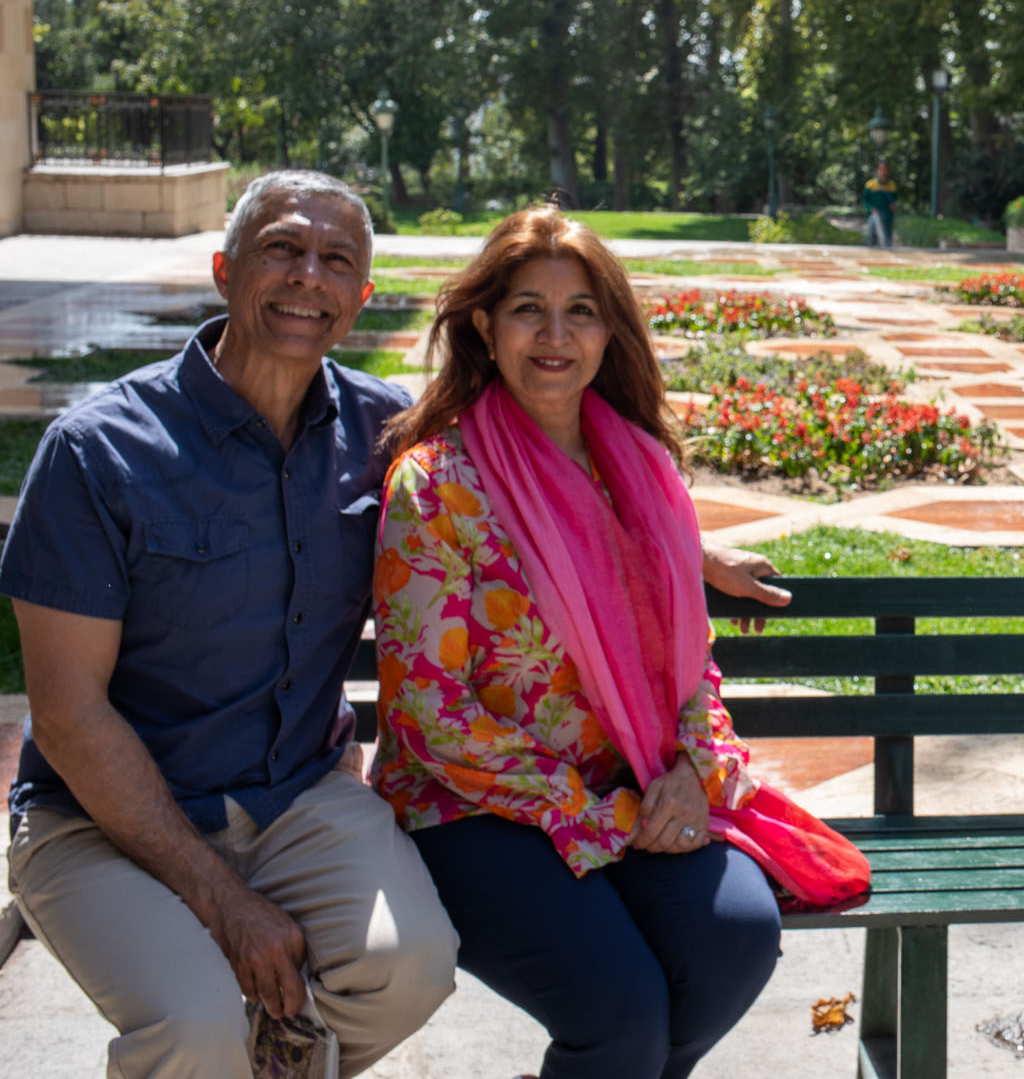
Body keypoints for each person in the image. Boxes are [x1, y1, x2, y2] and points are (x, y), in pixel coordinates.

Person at [2, 170, 458, 1079]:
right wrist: (223, 901)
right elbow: (68, 716)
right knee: (194, 1024)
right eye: (282, 248)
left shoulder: (385, 433)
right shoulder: (98, 450)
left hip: (295, 793)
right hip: (96, 817)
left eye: (336, 260)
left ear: (362, 295)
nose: (308, 276)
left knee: (409, 966)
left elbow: (536, 503)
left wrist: (686, 548)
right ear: (225, 269)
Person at [372, 205, 799, 1079]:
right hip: (473, 811)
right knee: (622, 1013)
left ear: (610, 332)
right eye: (528, 309)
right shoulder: (437, 484)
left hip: (628, 791)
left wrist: (694, 770)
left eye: (581, 312)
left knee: (736, 940)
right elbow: (430, 716)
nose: (555, 336)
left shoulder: (638, 470)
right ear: (485, 327)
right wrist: (591, 813)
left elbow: (689, 663)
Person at [861, 158, 898, 248]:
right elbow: (864, 200)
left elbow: (894, 200)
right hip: (874, 215)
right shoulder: (870, 184)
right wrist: (870, 208)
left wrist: (893, 205)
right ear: (877, 170)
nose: (883, 171)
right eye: (881, 168)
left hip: (887, 217)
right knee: (871, 238)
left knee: (886, 239)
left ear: (888, 170)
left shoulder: (892, 185)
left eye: (885, 169)